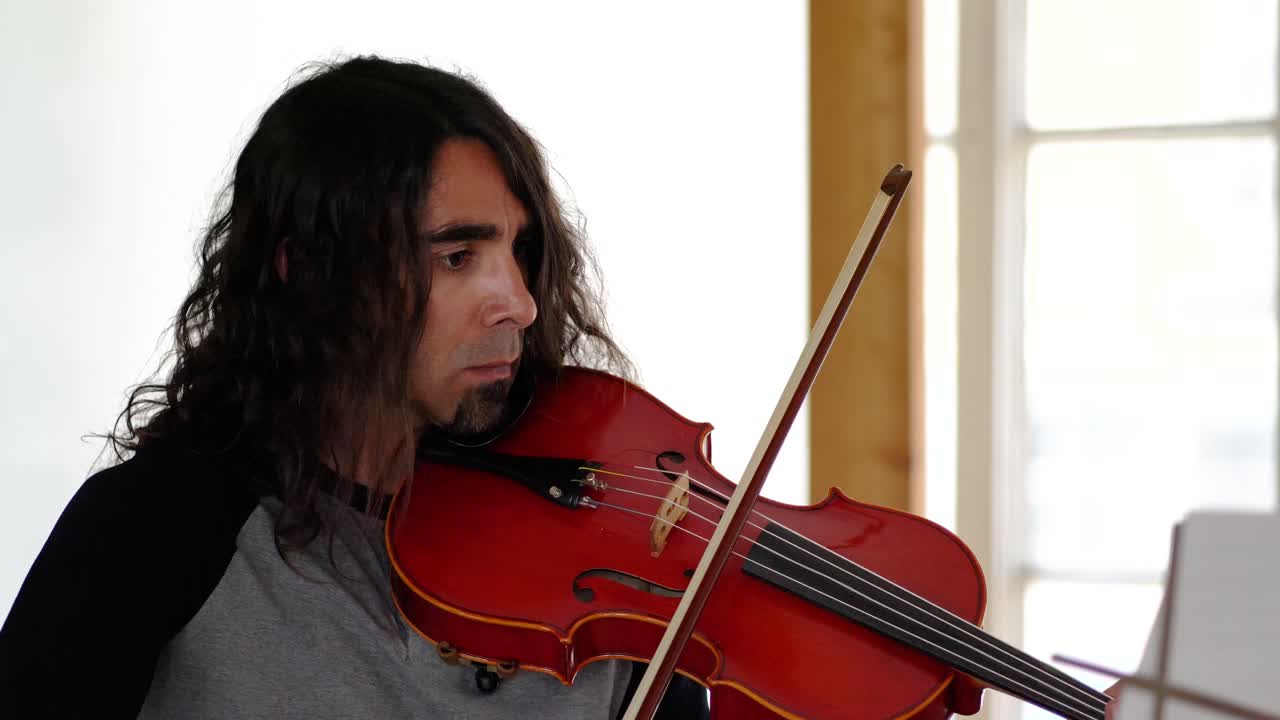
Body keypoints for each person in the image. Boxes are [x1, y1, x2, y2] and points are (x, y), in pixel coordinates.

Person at [0, 55, 709, 719]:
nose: (519, 304)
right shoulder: (155, 533)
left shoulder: (599, 567)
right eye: (457, 257)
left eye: (519, 249)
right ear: (311, 274)